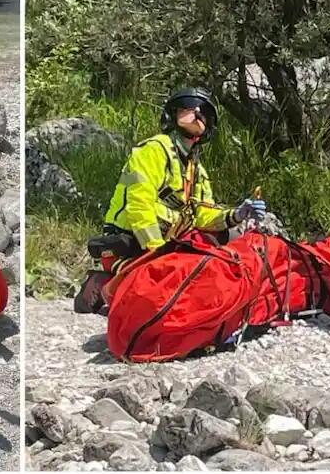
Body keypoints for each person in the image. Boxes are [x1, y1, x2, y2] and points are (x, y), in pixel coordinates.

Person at [73, 87, 267, 314]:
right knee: (155, 297)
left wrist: (236, 215)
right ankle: (102, 284)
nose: (197, 114)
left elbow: (203, 214)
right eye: (188, 108)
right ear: (171, 115)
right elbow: (139, 206)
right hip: (133, 245)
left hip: (170, 244)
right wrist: (157, 253)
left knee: (227, 242)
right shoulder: (152, 151)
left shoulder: (197, 170)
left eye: (203, 112)